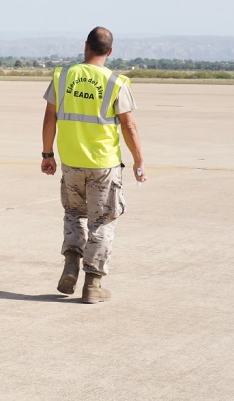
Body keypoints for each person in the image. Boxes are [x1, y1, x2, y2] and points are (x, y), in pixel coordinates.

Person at [40, 26, 145, 304]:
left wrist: (47, 154)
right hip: (103, 164)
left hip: (71, 161)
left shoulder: (63, 76)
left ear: (85, 46)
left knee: (74, 213)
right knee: (102, 221)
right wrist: (138, 160)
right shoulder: (116, 82)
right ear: (110, 52)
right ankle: (93, 284)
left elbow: (49, 118)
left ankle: (71, 264)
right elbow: (129, 126)